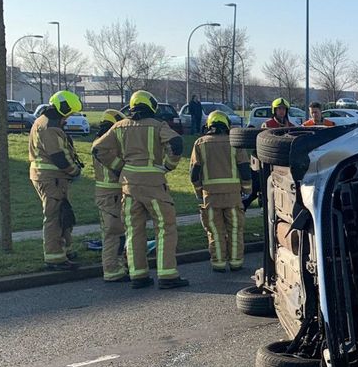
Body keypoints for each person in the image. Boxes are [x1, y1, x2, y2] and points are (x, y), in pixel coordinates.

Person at [93, 90, 189, 289]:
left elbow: (98, 149)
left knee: (133, 230)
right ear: (151, 105)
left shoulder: (119, 127)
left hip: (128, 186)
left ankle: (138, 275)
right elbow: (176, 142)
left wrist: (119, 166)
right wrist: (169, 165)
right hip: (154, 184)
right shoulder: (157, 125)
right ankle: (167, 275)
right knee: (165, 228)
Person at [191, 111, 253, 272]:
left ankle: (218, 263)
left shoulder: (200, 143)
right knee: (235, 231)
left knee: (215, 232)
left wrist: (199, 192)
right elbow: (245, 169)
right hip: (233, 196)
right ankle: (236, 262)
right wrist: (246, 190)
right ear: (226, 125)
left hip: (210, 197)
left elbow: (194, 173)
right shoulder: (234, 143)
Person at [28, 90, 84, 270]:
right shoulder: (50, 127)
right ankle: (54, 258)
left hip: (52, 178)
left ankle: (64, 250)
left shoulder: (44, 121)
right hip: (52, 178)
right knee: (55, 217)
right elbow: (59, 156)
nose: (68, 119)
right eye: (68, 114)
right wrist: (74, 171)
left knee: (63, 213)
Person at [93, 109, 128, 282]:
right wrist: (122, 168)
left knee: (112, 232)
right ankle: (113, 270)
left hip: (105, 194)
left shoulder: (99, 141)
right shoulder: (109, 145)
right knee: (115, 234)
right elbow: (117, 166)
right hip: (112, 193)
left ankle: (118, 266)